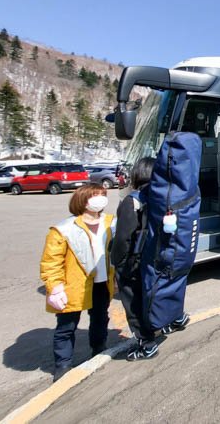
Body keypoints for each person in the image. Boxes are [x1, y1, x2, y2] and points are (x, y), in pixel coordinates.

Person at [40, 183, 115, 382]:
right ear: (83, 200)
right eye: (95, 195)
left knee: (100, 318)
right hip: (73, 286)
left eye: (103, 195)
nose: (101, 199)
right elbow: (51, 262)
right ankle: (63, 364)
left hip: (102, 282)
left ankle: (99, 348)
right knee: (66, 326)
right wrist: (55, 288)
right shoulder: (64, 229)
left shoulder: (111, 223)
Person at [111, 157, 159, 361]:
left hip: (133, 263)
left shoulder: (134, 200)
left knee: (133, 303)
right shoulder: (160, 197)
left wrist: (117, 263)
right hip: (154, 258)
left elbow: (123, 238)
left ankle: (146, 345)